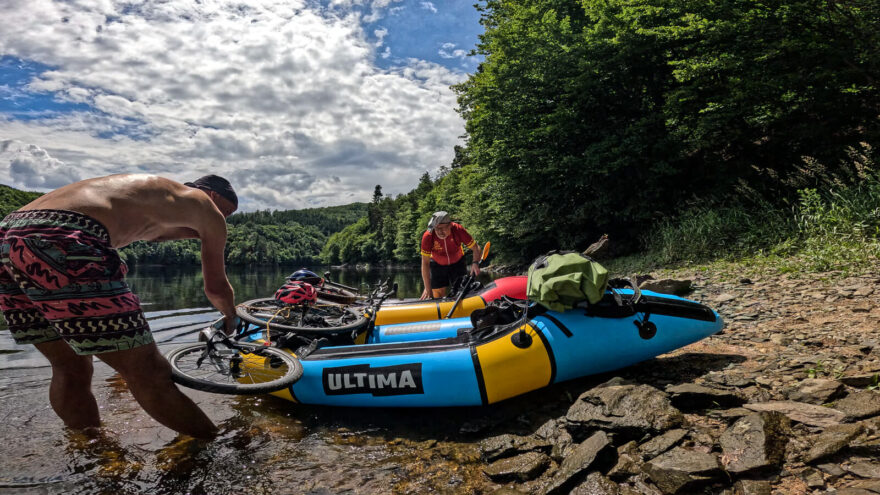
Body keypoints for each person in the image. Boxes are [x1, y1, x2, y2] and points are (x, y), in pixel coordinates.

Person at [0, 173, 239, 440]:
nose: (223, 220)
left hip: (9, 233)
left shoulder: (150, 193)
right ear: (214, 196)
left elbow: (152, 234)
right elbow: (216, 287)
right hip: (64, 235)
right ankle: (210, 442)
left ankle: (92, 447)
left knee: (70, 366)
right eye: (226, 213)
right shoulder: (202, 203)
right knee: (149, 371)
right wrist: (231, 315)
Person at [419, 211, 482, 300]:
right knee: (437, 294)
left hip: (457, 263)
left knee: (461, 292)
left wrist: (475, 263)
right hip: (437, 264)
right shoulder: (428, 235)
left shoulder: (458, 230)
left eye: (442, 228)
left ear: (450, 225)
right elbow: (425, 263)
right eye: (436, 228)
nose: (439, 232)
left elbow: (476, 248)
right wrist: (428, 288)